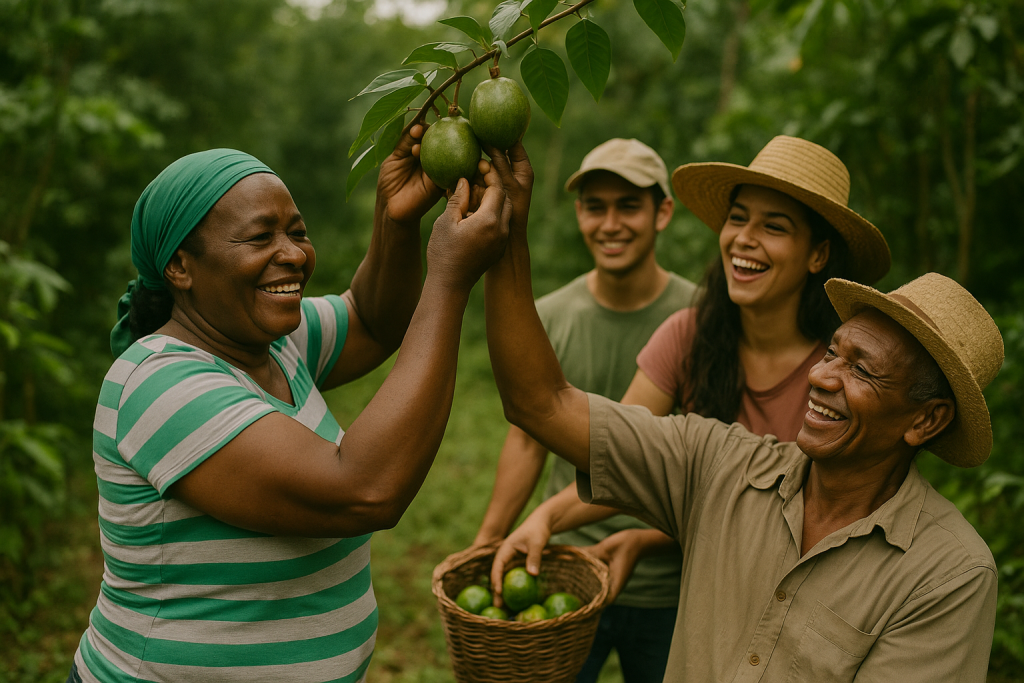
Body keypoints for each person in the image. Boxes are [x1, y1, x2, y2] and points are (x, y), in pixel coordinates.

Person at [483, 142, 1001, 682]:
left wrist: (651, 534)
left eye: (862, 370)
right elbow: (545, 407)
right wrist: (504, 231)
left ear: (926, 420)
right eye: (832, 354)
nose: (821, 378)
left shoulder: (946, 576)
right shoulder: (723, 459)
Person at [68, 125, 512, 683]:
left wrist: (395, 221)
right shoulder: (157, 382)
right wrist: (448, 278)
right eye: (260, 238)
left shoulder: (276, 342)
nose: (294, 255)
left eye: (296, 232)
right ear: (180, 267)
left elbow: (374, 320)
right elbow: (364, 490)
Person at [494, 135, 893, 603]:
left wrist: (646, 539)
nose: (744, 238)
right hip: (705, 585)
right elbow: (623, 450)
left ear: (818, 255)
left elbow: (814, 516)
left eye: (775, 227)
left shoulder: (836, 377)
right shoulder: (687, 333)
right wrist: (546, 518)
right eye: (737, 219)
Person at [472, 138, 697, 682]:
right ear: (579, 213)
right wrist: (488, 537)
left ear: (662, 212)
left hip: (667, 581)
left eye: (629, 206)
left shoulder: (699, 318)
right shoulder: (549, 315)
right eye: (596, 207)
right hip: (562, 570)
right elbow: (528, 440)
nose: (610, 223)